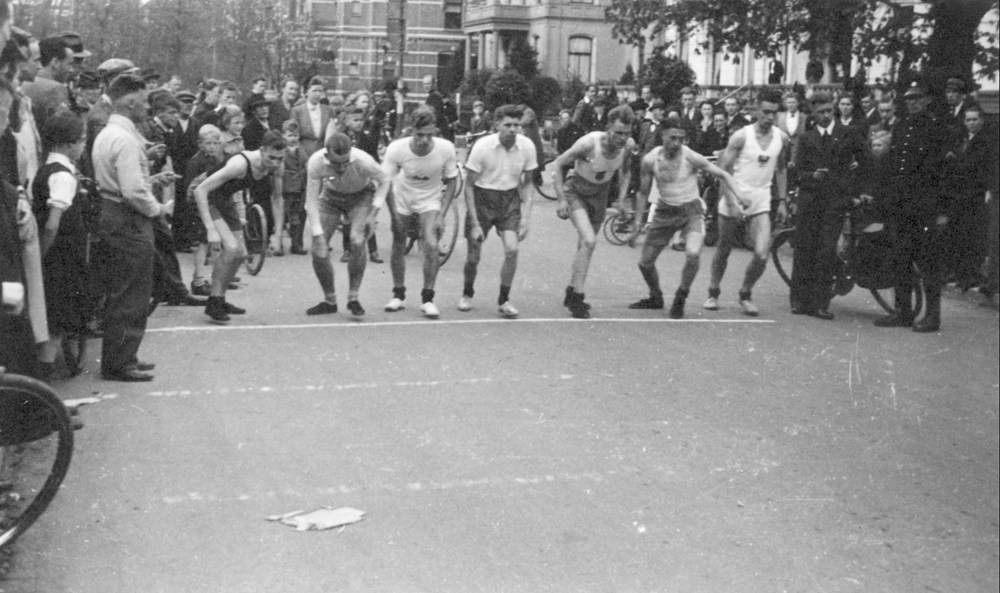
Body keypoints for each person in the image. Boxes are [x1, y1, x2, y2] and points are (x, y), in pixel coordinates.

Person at [91, 74, 174, 382]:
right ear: (128, 101)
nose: (147, 107)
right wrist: (157, 211)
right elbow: (133, 191)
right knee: (133, 292)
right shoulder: (125, 139)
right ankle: (120, 362)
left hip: (113, 211)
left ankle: (124, 355)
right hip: (128, 218)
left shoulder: (109, 133)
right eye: (143, 100)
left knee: (125, 288)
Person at [629, 117, 743, 319]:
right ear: (662, 135)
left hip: (691, 211)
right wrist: (638, 222)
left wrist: (740, 197)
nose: (677, 143)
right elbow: (642, 192)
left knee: (692, 253)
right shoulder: (650, 160)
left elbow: (723, 174)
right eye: (672, 138)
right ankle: (656, 297)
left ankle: (681, 296)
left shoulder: (690, 156)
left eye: (681, 139)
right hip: (665, 210)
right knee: (644, 263)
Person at [873, 82, 951, 332]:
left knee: (928, 263)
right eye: (908, 99)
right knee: (901, 259)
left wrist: (940, 209)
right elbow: (895, 164)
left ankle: (932, 316)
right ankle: (903, 311)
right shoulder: (902, 126)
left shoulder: (936, 128)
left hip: (924, 206)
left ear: (927, 100)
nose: (912, 103)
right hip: (901, 205)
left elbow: (939, 172)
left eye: (917, 99)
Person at [704, 89, 789, 316]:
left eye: (774, 113)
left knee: (762, 253)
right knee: (724, 249)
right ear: (756, 110)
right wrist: (729, 200)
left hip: (761, 200)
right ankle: (713, 291)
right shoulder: (741, 136)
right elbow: (723, 171)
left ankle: (745, 293)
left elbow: (781, 168)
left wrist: (781, 201)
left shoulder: (781, 138)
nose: (770, 117)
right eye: (765, 112)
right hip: (734, 196)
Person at [552, 104, 636, 319]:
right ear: (608, 128)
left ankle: (571, 290)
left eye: (626, 134)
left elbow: (625, 173)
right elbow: (558, 163)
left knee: (584, 246)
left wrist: (621, 199)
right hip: (576, 191)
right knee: (589, 241)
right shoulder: (589, 143)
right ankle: (578, 298)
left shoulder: (627, 146)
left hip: (600, 194)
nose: (621, 138)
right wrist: (561, 199)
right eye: (617, 133)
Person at [193, 130, 285, 323]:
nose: (275, 163)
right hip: (203, 194)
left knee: (241, 254)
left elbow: (277, 199)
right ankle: (213, 303)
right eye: (271, 158)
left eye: (279, 158)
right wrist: (210, 228)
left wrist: (278, 233)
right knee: (232, 248)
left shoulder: (277, 166)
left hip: (224, 198)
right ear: (261, 150)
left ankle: (219, 298)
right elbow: (201, 190)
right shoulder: (240, 164)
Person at [788, 92, 866, 320]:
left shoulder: (847, 134)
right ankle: (798, 300)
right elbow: (796, 173)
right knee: (804, 248)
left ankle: (821, 303)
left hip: (835, 201)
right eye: (820, 112)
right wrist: (812, 176)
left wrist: (857, 190)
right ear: (813, 113)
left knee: (826, 249)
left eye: (828, 112)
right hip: (810, 201)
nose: (825, 116)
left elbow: (866, 161)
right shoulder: (806, 138)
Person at [459, 104, 537, 318]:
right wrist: (475, 222)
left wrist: (526, 218)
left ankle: (504, 300)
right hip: (483, 198)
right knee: (473, 257)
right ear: (496, 125)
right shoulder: (482, 147)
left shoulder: (527, 146)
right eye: (508, 125)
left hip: (509, 199)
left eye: (517, 125)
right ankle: (467, 292)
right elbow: (468, 186)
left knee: (512, 250)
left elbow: (528, 183)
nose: (513, 130)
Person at [381, 106, 459, 318]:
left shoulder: (446, 148)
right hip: (403, 196)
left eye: (429, 135)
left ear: (435, 131)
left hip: (430, 200)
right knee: (398, 241)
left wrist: (442, 214)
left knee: (432, 245)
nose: (424, 140)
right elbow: (385, 182)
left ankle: (428, 298)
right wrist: (393, 214)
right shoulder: (397, 149)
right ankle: (398, 295)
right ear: (411, 131)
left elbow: (452, 180)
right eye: (419, 135)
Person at [31, 110, 92, 379]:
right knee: (57, 322)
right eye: (81, 141)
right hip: (62, 257)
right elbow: (53, 224)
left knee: (52, 318)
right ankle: (43, 381)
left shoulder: (46, 169)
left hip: (56, 255)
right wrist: (42, 254)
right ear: (68, 144)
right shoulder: (64, 177)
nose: (83, 146)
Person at [303, 133, 389, 317]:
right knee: (319, 248)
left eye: (345, 162)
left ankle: (353, 297)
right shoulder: (315, 162)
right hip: (330, 197)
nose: (341, 167)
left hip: (361, 196)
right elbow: (311, 201)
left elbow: (385, 180)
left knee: (357, 241)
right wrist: (318, 235)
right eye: (336, 163)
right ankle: (330, 300)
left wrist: (373, 213)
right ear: (327, 156)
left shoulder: (364, 161)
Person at [182, 124, 225, 296]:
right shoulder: (196, 162)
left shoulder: (214, 159)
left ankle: (217, 278)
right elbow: (190, 187)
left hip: (209, 204)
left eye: (215, 143)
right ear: (200, 144)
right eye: (208, 143)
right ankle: (198, 280)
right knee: (201, 243)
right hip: (197, 206)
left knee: (210, 242)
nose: (213, 146)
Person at [338, 104, 382, 263]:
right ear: (347, 121)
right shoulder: (341, 138)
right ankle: (347, 250)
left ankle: (373, 250)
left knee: (367, 217)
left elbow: (372, 156)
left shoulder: (366, 138)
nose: (358, 123)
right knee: (347, 218)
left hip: (364, 181)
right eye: (355, 120)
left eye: (361, 120)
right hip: (346, 181)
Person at [280, 120, 310, 256]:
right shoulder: (281, 150)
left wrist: (305, 170)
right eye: (290, 135)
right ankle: (278, 244)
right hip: (286, 187)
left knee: (299, 215)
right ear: (283, 136)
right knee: (283, 215)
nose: (293, 139)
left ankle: (297, 244)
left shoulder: (301, 149)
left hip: (300, 186)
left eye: (296, 135)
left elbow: (306, 163)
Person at [291, 76, 334, 157]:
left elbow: (332, 135)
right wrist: (303, 157)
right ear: (307, 92)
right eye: (314, 91)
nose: (317, 94)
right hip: (303, 154)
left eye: (320, 91)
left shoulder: (329, 110)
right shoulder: (297, 111)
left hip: (323, 154)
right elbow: (294, 136)